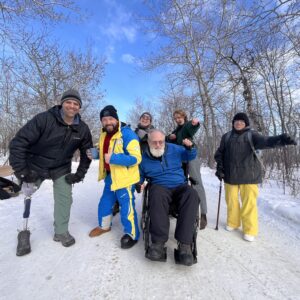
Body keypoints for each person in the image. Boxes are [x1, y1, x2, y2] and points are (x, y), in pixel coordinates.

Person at [9, 89, 93, 254]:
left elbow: (87, 153)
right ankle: (23, 231)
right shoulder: (44, 119)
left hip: (61, 168)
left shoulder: (82, 129)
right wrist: (23, 172)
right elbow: (18, 143)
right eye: (69, 102)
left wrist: (80, 174)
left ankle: (61, 232)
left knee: (65, 199)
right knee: (26, 194)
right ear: (62, 103)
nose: (72, 106)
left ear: (79, 107)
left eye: (76, 104)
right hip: (35, 165)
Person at [214, 112, 297, 242]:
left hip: (249, 175)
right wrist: (220, 168)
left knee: (249, 204)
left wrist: (280, 139)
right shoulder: (226, 136)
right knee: (231, 201)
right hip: (230, 175)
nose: (238, 123)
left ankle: (249, 230)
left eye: (241, 121)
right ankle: (233, 222)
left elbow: (266, 141)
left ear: (246, 123)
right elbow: (219, 154)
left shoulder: (252, 135)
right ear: (233, 123)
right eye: (236, 121)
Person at [140, 129, 199, 266]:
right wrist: (138, 183)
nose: (158, 145)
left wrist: (190, 148)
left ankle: (185, 245)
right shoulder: (143, 158)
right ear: (148, 143)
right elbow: (140, 176)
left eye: (161, 141)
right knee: (156, 193)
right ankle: (158, 243)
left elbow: (190, 156)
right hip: (160, 186)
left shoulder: (175, 149)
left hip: (179, 186)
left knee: (192, 194)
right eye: (154, 142)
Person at [89, 105, 141, 249]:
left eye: (111, 118)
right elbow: (105, 154)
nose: (108, 122)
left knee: (126, 207)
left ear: (117, 119)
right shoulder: (104, 134)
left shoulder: (128, 134)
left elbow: (136, 158)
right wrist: (96, 154)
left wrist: (114, 158)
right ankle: (104, 227)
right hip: (111, 177)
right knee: (105, 203)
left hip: (125, 178)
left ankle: (132, 234)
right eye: (104, 119)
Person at [167, 109, 208, 229]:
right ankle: (180, 207)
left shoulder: (186, 126)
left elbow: (191, 128)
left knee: (196, 182)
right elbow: (168, 139)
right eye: (176, 118)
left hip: (191, 156)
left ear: (184, 117)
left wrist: (195, 123)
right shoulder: (177, 130)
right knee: (181, 183)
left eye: (179, 117)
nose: (178, 119)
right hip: (180, 158)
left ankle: (203, 213)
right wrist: (170, 136)